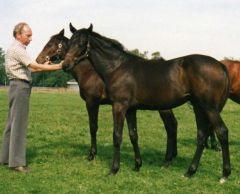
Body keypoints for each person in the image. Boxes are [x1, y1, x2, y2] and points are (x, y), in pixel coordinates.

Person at [0, 22, 63, 173]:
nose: (31, 38)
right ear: (18, 35)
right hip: (20, 88)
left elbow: (29, 70)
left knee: (11, 124)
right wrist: (58, 66)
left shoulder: (16, 49)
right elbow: (35, 66)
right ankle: (17, 163)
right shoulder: (18, 49)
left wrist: (44, 67)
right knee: (19, 125)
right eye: (28, 35)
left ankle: (5, 158)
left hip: (17, 86)